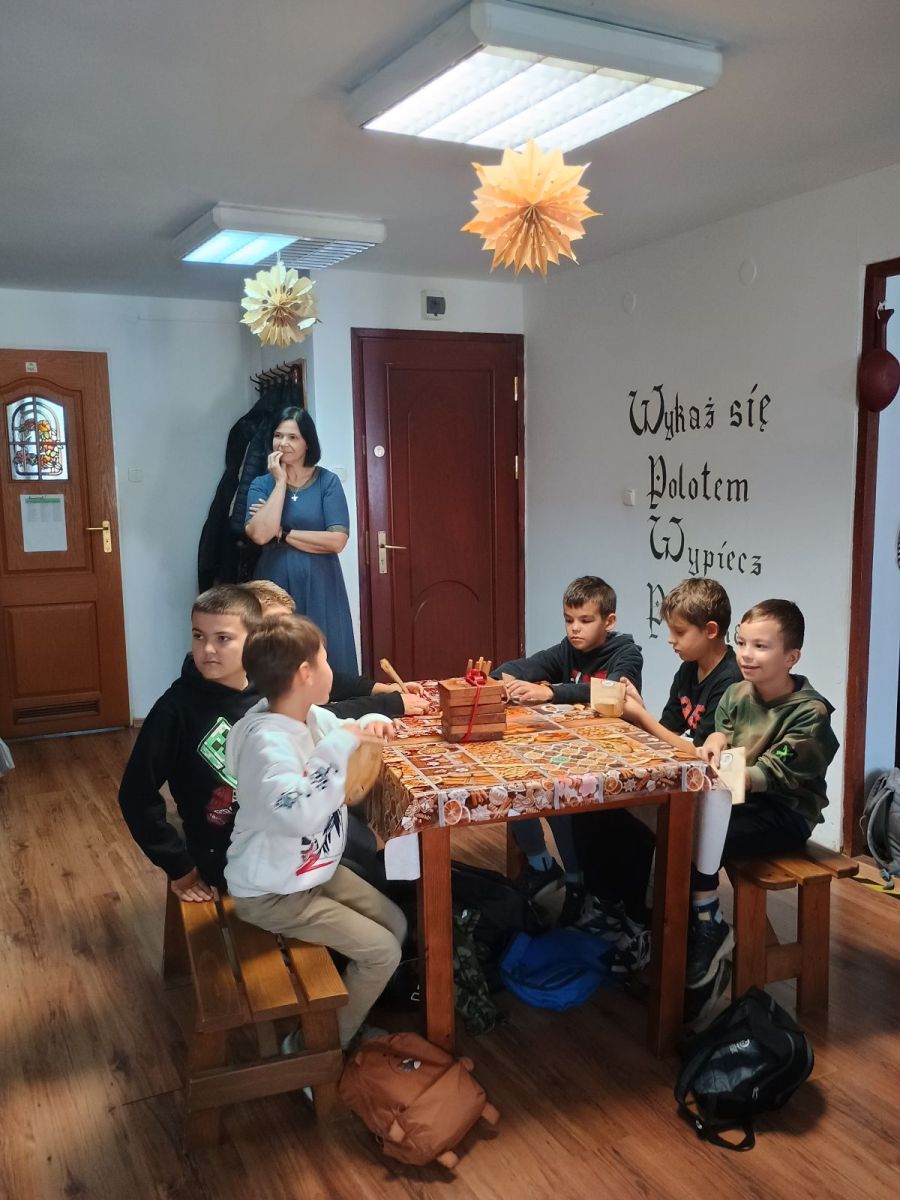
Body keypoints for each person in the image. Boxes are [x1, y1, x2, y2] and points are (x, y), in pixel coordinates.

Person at [225, 613, 407, 1050]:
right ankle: (317, 1049)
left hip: (309, 873)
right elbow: (299, 814)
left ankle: (347, 1015)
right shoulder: (266, 743)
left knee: (396, 924)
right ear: (305, 672)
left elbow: (343, 730)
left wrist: (370, 724)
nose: (331, 670)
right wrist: (340, 746)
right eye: (325, 661)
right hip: (271, 893)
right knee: (383, 952)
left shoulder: (305, 716)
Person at [577, 578, 743, 980]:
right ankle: (614, 907)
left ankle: (643, 923)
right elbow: (668, 732)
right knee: (595, 807)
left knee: (632, 818)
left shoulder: (732, 680)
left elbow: (701, 755)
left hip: (720, 797)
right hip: (687, 786)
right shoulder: (688, 670)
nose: (670, 640)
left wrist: (641, 717)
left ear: (710, 630)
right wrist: (638, 710)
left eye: (679, 632)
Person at [689, 598, 839, 1020]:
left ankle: (706, 926)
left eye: (761, 646)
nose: (746, 654)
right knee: (678, 828)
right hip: (740, 799)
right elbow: (722, 730)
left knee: (699, 837)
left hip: (785, 812)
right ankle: (691, 928)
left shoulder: (810, 713)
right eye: (741, 643)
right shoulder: (737, 692)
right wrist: (714, 742)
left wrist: (724, 777)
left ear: (791, 657)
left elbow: (771, 772)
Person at [491, 575, 643, 925]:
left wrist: (551, 692)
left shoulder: (626, 653)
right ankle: (541, 864)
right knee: (515, 782)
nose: (575, 628)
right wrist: (507, 680)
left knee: (561, 799)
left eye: (585, 620)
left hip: (614, 759)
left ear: (609, 621)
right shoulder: (567, 649)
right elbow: (515, 668)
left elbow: (613, 693)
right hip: (573, 752)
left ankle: (577, 883)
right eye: (569, 619)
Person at [118, 585, 262, 900]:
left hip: (279, 841)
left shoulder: (270, 691)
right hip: (223, 855)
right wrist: (179, 866)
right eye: (199, 636)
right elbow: (135, 794)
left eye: (222, 638)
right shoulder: (174, 709)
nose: (207, 649)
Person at [244, 407, 358, 675]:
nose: (283, 443)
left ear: (308, 443)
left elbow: (336, 540)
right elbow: (260, 534)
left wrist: (284, 533)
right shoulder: (261, 484)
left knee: (326, 652)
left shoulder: (327, 482)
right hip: (274, 580)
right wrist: (280, 483)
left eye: (293, 437)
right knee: (277, 653)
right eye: (278, 436)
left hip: (322, 580)